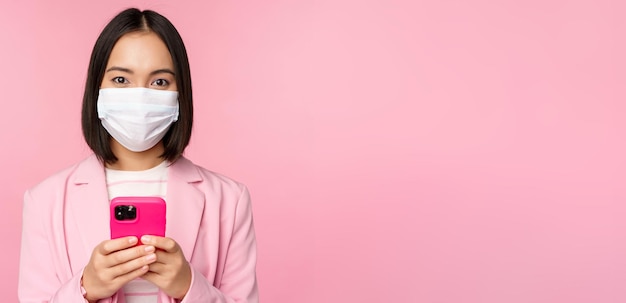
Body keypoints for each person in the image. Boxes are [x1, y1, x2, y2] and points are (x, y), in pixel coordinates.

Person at [18, 8, 259, 303]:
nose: (140, 97)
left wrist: (189, 287)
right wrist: (85, 290)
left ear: (180, 95)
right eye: (121, 80)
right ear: (97, 90)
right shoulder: (45, 201)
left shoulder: (229, 200)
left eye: (159, 82)